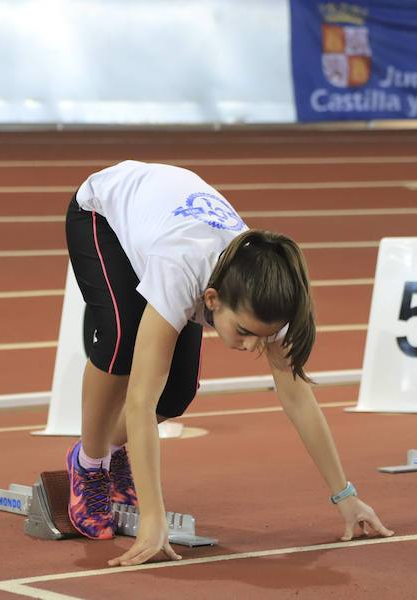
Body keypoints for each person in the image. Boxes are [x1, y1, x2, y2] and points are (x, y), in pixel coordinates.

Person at [63, 160, 393, 567]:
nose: (253, 345)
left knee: (179, 392)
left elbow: (298, 400)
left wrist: (346, 496)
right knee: (121, 342)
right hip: (103, 213)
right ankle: (90, 464)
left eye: (262, 335)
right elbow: (139, 401)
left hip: (165, 217)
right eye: (244, 332)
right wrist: (153, 519)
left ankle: (111, 452)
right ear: (213, 300)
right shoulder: (180, 268)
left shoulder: (265, 294)